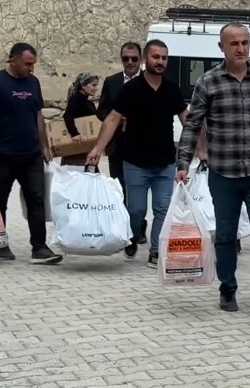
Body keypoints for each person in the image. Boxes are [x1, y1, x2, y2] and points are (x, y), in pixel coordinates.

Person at [176, 24, 250, 318]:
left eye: (245, 43)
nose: (240, 49)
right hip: (223, 173)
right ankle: (227, 287)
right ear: (222, 48)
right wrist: (183, 163)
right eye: (234, 44)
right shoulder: (208, 82)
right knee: (227, 235)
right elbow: (192, 125)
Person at [87, 40, 187, 265]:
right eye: (155, 57)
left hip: (165, 161)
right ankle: (131, 237)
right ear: (145, 60)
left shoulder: (172, 90)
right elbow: (112, 118)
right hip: (134, 162)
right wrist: (97, 148)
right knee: (136, 210)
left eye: (164, 58)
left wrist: (201, 146)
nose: (160, 62)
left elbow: (186, 119)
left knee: (162, 208)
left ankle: (155, 250)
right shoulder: (130, 89)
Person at [0, 42, 63, 265]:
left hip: (31, 155)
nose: (31, 68)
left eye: (33, 64)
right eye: (27, 64)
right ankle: (0, 243)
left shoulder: (33, 83)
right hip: (3, 155)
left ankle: (39, 248)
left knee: (36, 200)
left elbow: (38, 116)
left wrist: (44, 146)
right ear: (13, 60)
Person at [98, 42, 144, 242]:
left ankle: (139, 227)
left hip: (141, 143)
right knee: (119, 187)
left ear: (141, 59)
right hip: (117, 143)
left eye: (134, 58)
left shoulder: (148, 80)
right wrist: (116, 118)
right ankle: (123, 228)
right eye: (126, 58)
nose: (130, 62)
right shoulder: (112, 81)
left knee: (138, 190)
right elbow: (101, 111)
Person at [60, 73, 99, 167]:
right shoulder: (76, 99)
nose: (96, 88)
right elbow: (67, 115)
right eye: (93, 85)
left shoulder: (88, 102)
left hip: (85, 147)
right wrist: (75, 133)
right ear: (83, 85)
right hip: (77, 147)